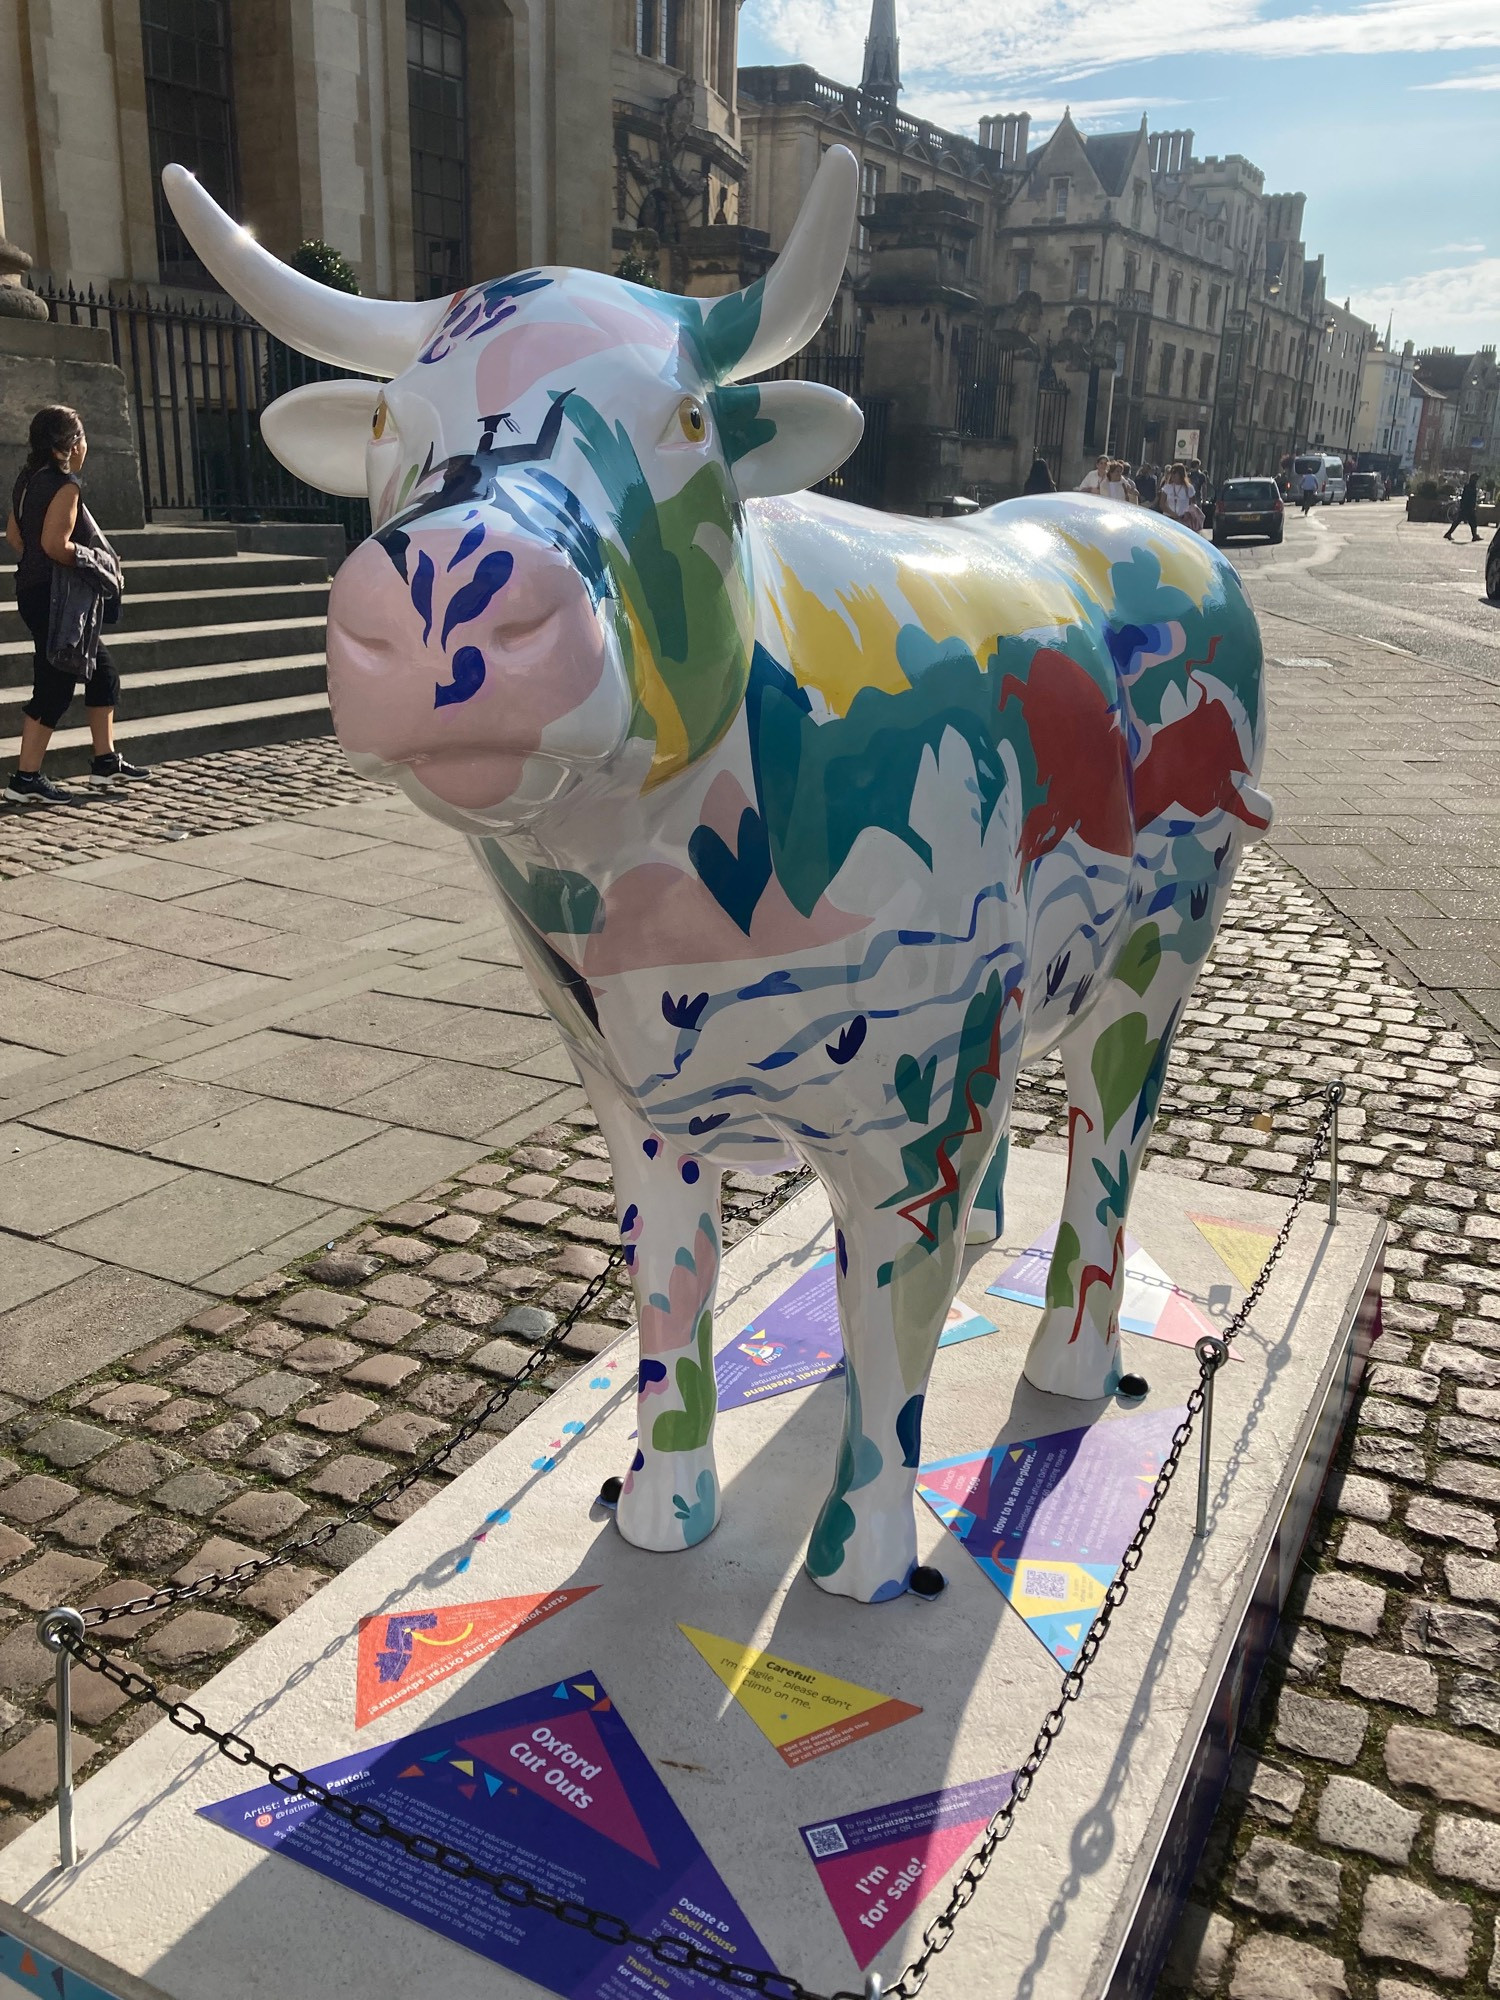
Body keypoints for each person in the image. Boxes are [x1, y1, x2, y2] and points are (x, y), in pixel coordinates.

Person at [4, 407, 148, 805]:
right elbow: (55, 545)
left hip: (37, 592)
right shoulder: (65, 486)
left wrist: (43, 557)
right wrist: (96, 562)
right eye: (81, 437)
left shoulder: (27, 481)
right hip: (57, 599)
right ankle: (25, 778)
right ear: (68, 445)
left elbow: (16, 537)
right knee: (54, 685)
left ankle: (105, 762)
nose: (86, 445)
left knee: (102, 673)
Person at [1159, 461, 1203, 530]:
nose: (1173, 476)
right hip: (1168, 518)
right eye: (1172, 473)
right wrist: (1172, 513)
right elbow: (1162, 504)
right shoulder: (1167, 487)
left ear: (1181, 475)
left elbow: (1193, 504)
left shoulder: (1188, 488)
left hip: (1183, 520)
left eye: (1175, 474)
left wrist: (1187, 514)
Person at [1446, 473, 1481, 544]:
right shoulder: (1470, 487)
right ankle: (1474, 536)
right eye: (1476, 479)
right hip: (1467, 508)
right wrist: (1469, 507)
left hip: (1467, 507)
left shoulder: (1471, 486)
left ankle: (1474, 535)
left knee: (1466, 521)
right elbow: (1467, 498)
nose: (1476, 480)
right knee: (1471, 521)